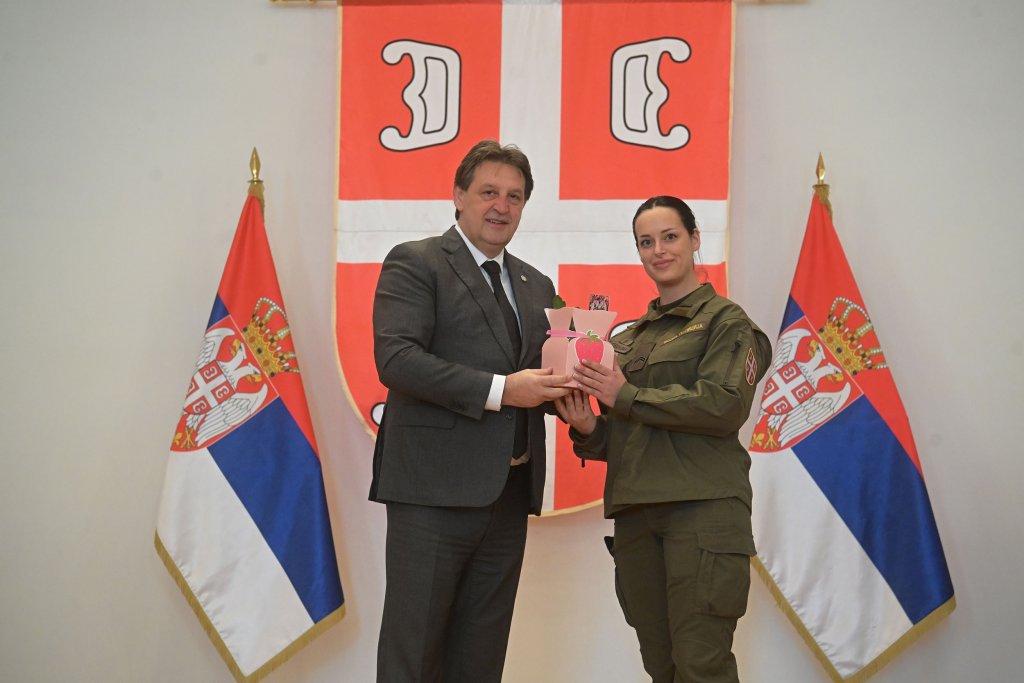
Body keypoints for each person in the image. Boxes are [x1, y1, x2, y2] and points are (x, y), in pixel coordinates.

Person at [370, 139, 571, 683]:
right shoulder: (416, 262)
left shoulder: (536, 284)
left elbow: (541, 375)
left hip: (508, 496)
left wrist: (578, 388)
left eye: (514, 196)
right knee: (414, 655)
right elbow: (397, 359)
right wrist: (503, 390)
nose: (501, 206)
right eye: (488, 192)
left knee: (480, 659)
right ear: (458, 195)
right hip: (432, 495)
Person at [555, 195, 772, 683]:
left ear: (695, 240)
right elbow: (630, 432)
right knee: (661, 666)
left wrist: (626, 395)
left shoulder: (727, 322)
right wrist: (590, 429)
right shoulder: (628, 339)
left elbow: (723, 405)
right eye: (646, 242)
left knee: (701, 666)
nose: (659, 250)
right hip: (637, 514)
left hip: (702, 511)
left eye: (670, 237)